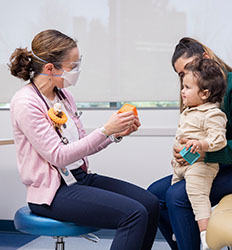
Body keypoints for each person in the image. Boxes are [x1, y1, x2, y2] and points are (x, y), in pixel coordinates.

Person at [9, 29, 159, 250]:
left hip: (79, 177)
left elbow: (80, 147)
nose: (77, 70)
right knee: (134, 214)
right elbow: (58, 156)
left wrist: (115, 134)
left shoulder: (64, 96)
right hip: (53, 192)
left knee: (150, 203)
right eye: (73, 65)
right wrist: (106, 129)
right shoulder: (25, 103)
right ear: (50, 68)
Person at [148, 37, 232, 250]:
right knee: (153, 196)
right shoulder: (198, 100)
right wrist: (185, 154)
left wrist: (203, 154)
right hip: (220, 165)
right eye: (181, 74)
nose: (186, 77)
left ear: (206, 57)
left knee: (177, 196)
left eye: (189, 68)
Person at [170, 58, 227, 250]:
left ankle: (206, 235)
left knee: (197, 195)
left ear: (204, 93)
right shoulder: (190, 110)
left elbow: (219, 139)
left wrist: (201, 144)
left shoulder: (212, 114)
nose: (182, 91)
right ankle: (180, 228)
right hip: (182, 166)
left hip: (200, 166)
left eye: (186, 87)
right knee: (172, 194)